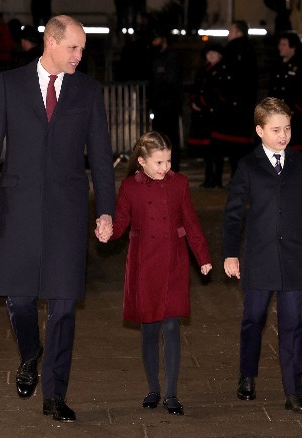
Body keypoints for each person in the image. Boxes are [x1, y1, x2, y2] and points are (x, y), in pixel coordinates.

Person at [0, 15, 117, 423]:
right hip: (16, 209)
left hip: (68, 211)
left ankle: (55, 394)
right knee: (18, 301)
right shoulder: (10, 84)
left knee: (65, 306)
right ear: (50, 43)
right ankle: (30, 354)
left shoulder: (88, 90)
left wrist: (106, 209)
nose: (79, 56)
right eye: (74, 48)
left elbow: (102, 157)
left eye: (83, 49)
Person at [223, 97, 302, 414]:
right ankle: (247, 373)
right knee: (254, 319)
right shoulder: (248, 166)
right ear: (260, 130)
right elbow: (233, 214)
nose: (283, 136)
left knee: (293, 324)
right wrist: (230, 254)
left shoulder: (300, 164)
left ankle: (294, 391)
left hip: (292, 258)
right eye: (276, 130)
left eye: (287, 129)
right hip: (259, 259)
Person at [98, 131, 212, 416]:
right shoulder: (129, 187)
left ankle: (171, 393)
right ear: (142, 162)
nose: (165, 168)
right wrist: (108, 232)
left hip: (173, 262)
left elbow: (191, 221)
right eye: (159, 162)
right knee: (149, 330)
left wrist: (203, 257)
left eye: (168, 161)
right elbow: (121, 222)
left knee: (172, 328)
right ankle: (153, 388)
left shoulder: (179, 184)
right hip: (143, 265)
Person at [209, 20, 258, 183]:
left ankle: (233, 178)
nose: (229, 34)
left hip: (232, 106)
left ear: (239, 33)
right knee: (237, 146)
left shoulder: (235, 50)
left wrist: (227, 98)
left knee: (231, 145)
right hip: (240, 105)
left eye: (231, 31)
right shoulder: (249, 50)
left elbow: (232, 78)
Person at [187, 43, 224, 187]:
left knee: (216, 149)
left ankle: (217, 178)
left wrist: (203, 103)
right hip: (203, 114)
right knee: (207, 151)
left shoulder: (221, 71)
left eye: (214, 53)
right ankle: (208, 177)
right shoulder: (203, 71)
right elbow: (196, 88)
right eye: (209, 53)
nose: (211, 56)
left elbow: (217, 93)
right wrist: (194, 102)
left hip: (214, 114)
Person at [148, 32, 183, 172]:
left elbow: (169, 82)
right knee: (161, 138)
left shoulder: (171, 58)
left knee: (169, 137)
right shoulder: (159, 58)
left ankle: (172, 166)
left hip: (168, 105)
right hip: (161, 104)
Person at [269, 31, 302, 153]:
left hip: (294, 114)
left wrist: (296, 108)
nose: (280, 47)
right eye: (280, 44)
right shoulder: (278, 65)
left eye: (284, 44)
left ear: (293, 47)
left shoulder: (301, 65)